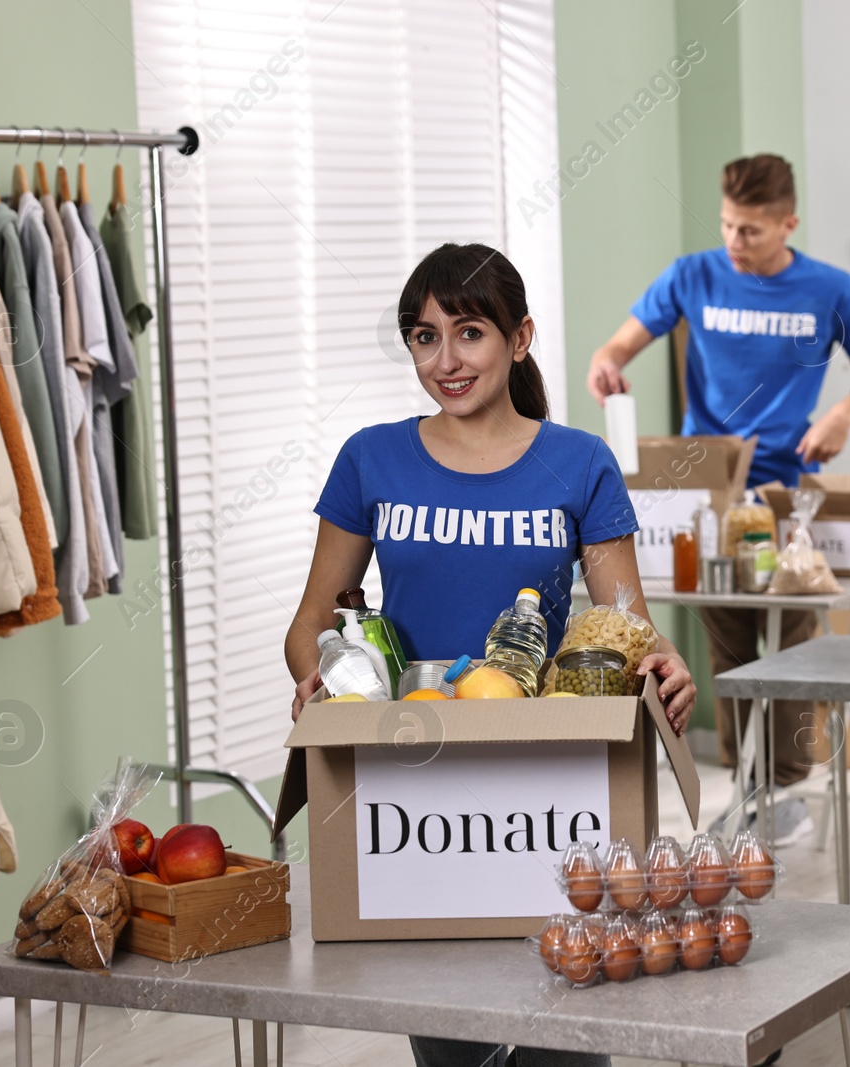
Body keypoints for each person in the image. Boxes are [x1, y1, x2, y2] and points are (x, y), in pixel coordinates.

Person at [285, 242, 696, 1067]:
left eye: (468, 332)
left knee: (569, 1027)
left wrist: (665, 662)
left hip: (553, 775)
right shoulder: (373, 458)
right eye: (423, 337)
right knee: (448, 1026)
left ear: (520, 338)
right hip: (414, 781)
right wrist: (321, 672)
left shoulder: (578, 463)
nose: (446, 359)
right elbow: (311, 621)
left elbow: (627, 624)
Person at [586, 154, 850, 846]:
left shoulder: (832, 289)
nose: (734, 241)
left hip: (788, 490)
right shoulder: (693, 275)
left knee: (790, 634)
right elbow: (619, 346)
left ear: (789, 222)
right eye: (727, 224)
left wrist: (841, 414)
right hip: (710, 490)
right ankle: (747, 784)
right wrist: (606, 363)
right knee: (729, 645)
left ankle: (786, 785)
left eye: (750, 229)